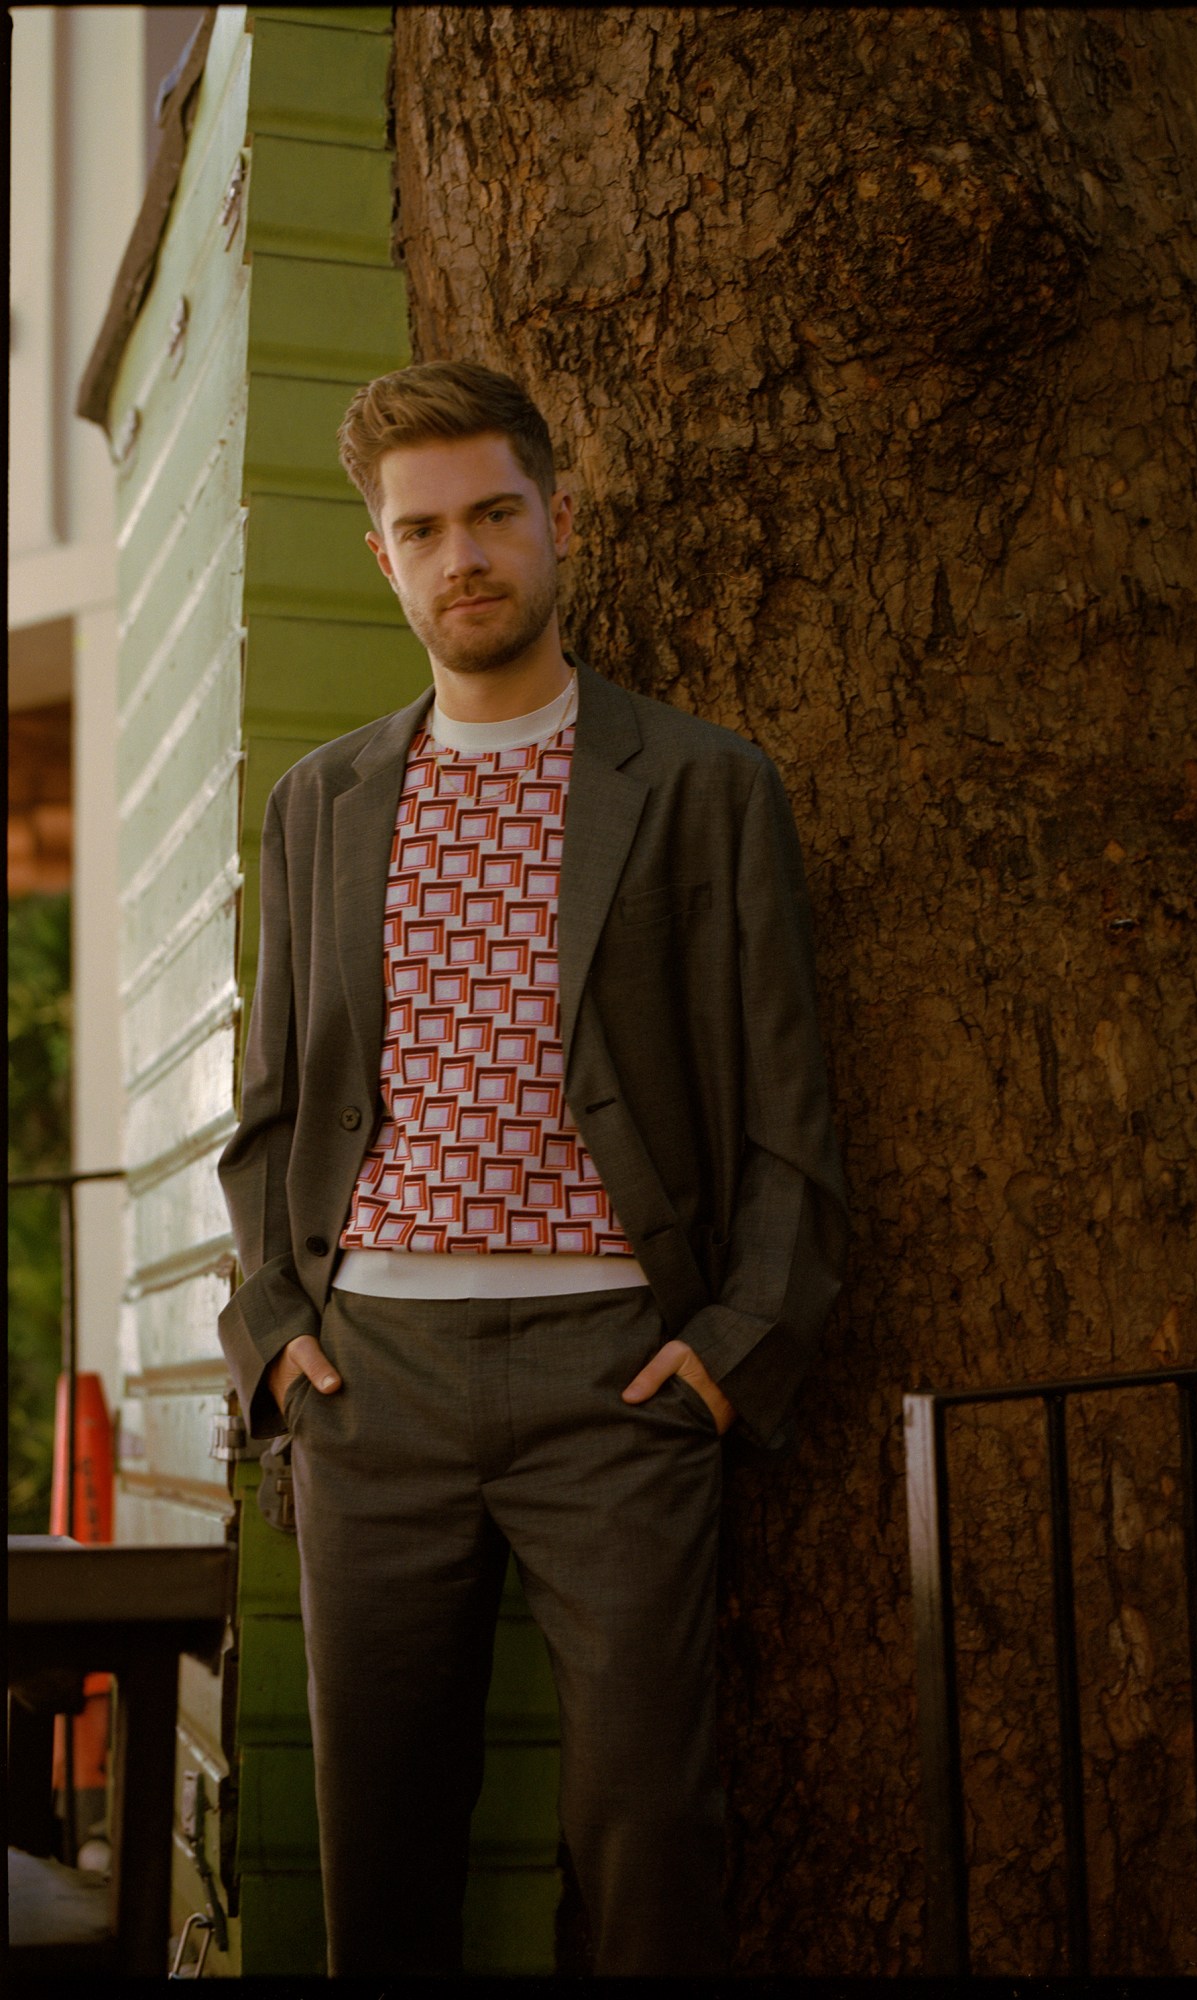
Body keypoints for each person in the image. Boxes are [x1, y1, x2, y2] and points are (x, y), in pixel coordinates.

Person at [215, 359, 848, 1976]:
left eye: (493, 514)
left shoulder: (703, 785)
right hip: (374, 1382)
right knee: (381, 1832)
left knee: (649, 1829)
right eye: (421, 529)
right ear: (382, 558)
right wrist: (278, 1339)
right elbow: (272, 1107)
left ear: (558, 521)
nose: (463, 555)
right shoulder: (321, 803)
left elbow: (790, 1110)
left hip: (619, 1378)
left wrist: (728, 1355)